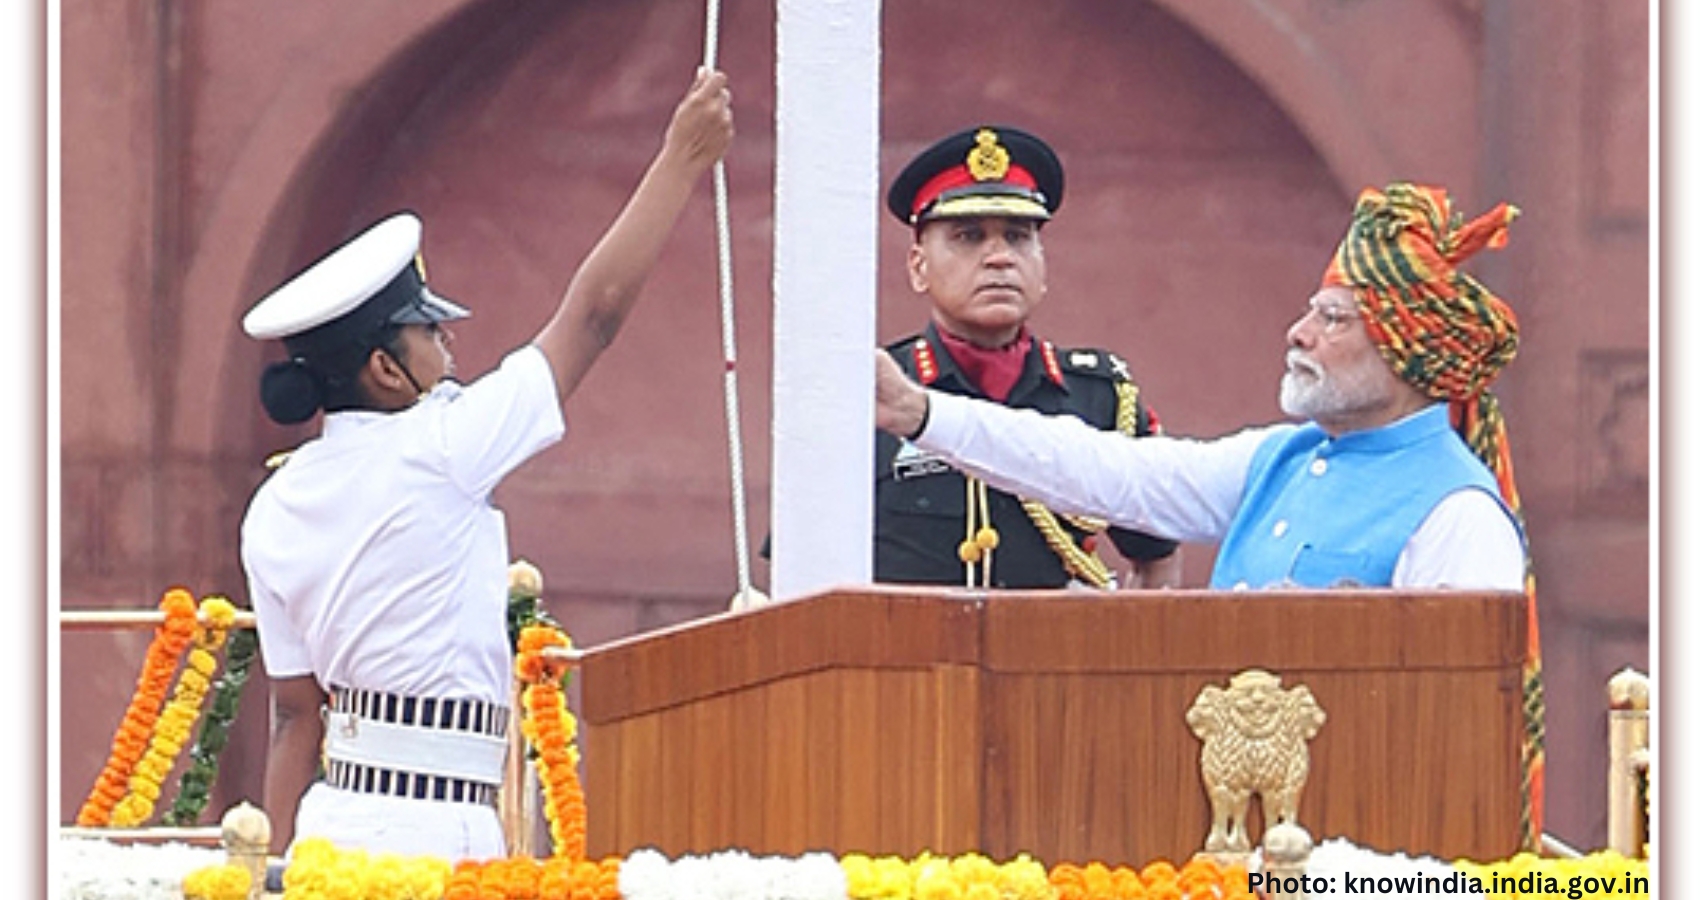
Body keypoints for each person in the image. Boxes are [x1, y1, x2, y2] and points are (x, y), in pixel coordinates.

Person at [874, 181, 1545, 838]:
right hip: (1223, 842)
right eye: (1310, 311)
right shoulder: (1281, 459)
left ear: (1408, 349)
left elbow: (1460, 737)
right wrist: (920, 412)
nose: (1300, 333)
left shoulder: (1458, 511)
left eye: (1333, 318)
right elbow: (1106, 469)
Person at [237, 68, 734, 861]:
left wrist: (270, 869)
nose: (449, 347)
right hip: (437, 832)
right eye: (427, 333)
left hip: (329, 835)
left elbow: (296, 713)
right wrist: (681, 159)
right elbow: (594, 316)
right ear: (385, 370)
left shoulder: (275, 501)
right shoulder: (443, 446)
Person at [874, 125, 1180, 590]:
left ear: (1042, 264)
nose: (999, 258)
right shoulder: (877, 394)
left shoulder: (1100, 397)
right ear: (919, 267)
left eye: (1017, 237)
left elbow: (1157, 555)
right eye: (969, 237)